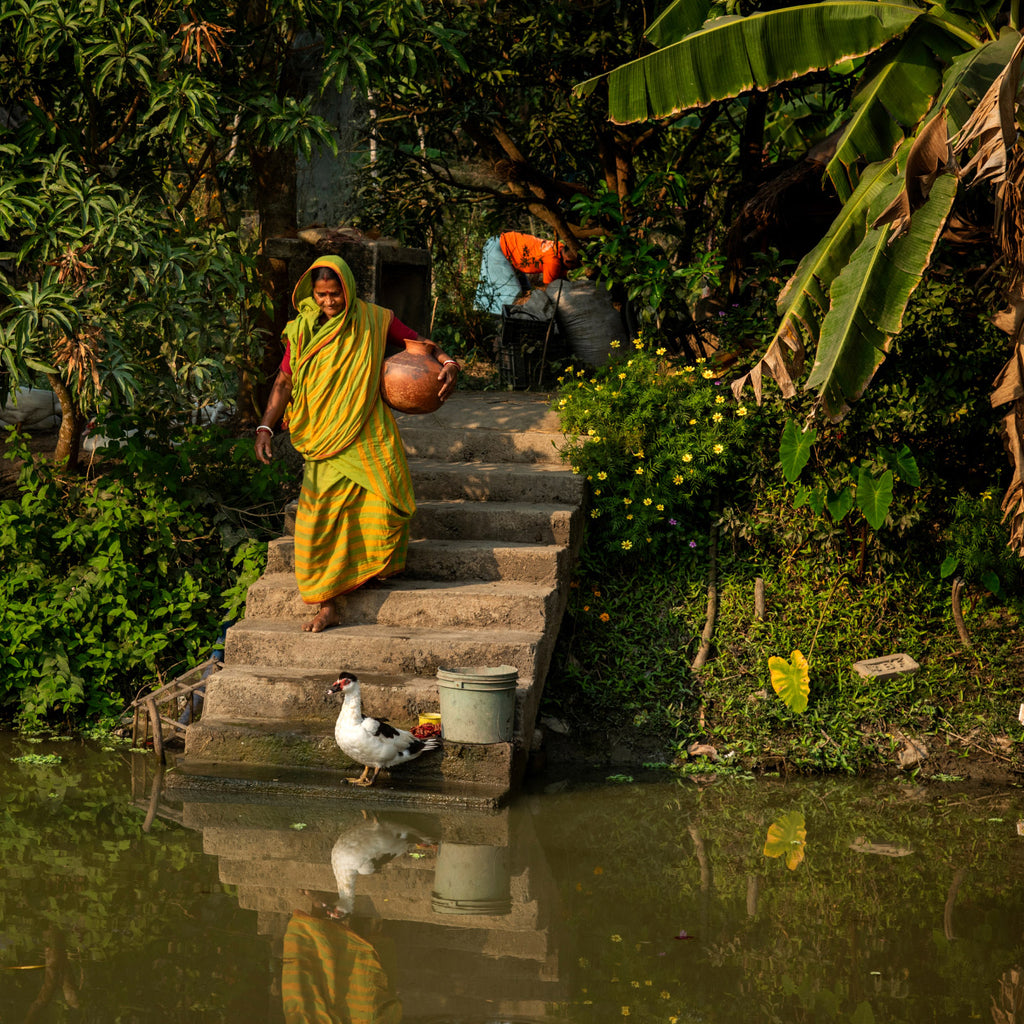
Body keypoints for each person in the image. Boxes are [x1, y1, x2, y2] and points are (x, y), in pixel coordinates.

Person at [255, 255, 459, 633]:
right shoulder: (301, 331)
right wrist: (265, 427)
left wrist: (447, 361)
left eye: (335, 294)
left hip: (366, 429)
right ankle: (326, 602)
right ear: (311, 293)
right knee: (318, 519)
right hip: (322, 437)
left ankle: (364, 571)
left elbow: (417, 341)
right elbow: (284, 383)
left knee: (383, 501)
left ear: (348, 288)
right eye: (321, 295)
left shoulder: (374, 318)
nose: (329, 302)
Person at [474, 230, 580, 314]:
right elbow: (550, 289)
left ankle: (485, 315)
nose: (574, 269)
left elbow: (562, 281)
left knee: (525, 290)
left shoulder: (559, 247)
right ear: (567, 261)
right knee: (513, 296)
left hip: (504, 248)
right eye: (574, 266)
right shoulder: (553, 261)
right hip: (499, 249)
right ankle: (497, 323)